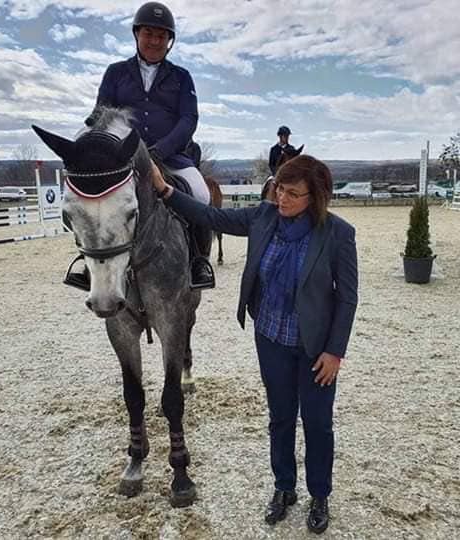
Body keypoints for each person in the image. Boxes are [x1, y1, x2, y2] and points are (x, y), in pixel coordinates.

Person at [151, 154, 358, 534]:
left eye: (292, 193)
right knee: (280, 418)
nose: (281, 198)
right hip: (271, 339)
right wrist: (164, 190)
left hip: (315, 349)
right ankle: (284, 487)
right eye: (279, 188)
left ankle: (320, 494)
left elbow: (347, 298)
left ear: (315, 197)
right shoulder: (263, 217)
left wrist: (335, 352)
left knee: (317, 424)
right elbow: (210, 216)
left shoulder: (338, 234)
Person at [84, 1, 214, 288]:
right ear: (137, 34)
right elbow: (102, 110)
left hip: (170, 156)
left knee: (201, 194)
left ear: (169, 40)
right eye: (149, 34)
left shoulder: (181, 77)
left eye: (161, 36)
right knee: (93, 195)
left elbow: (188, 119)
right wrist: (92, 128)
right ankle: (89, 262)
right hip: (124, 157)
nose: (155, 41)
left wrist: (159, 151)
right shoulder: (115, 72)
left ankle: (198, 260)